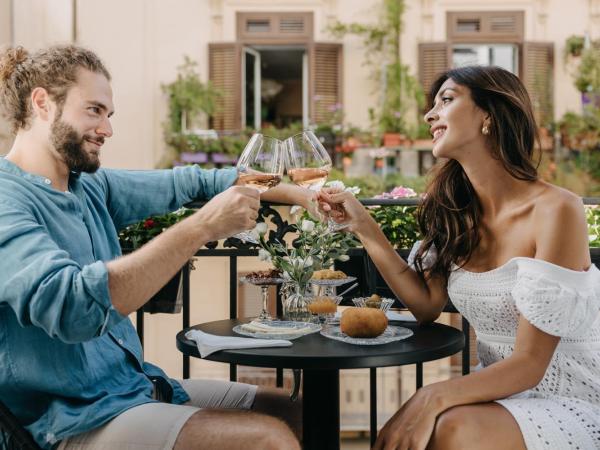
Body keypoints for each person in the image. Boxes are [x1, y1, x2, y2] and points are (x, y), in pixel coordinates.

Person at [0, 45, 311, 450]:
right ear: (42, 103)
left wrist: (301, 196)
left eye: (108, 115)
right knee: (267, 439)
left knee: (297, 412)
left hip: (130, 388)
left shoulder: (89, 185)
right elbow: (73, 308)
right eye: (93, 110)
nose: (107, 130)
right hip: (67, 421)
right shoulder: (7, 200)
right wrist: (201, 226)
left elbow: (193, 182)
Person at [318, 65, 600, 449]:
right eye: (432, 105)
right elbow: (426, 306)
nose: (430, 115)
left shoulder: (556, 210)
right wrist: (365, 227)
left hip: (574, 397)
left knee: (448, 426)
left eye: (446, 100)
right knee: (439, 426)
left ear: (489, 115)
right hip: (499, 393)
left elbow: (532, 363)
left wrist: (431, 394)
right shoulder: (454, 210)